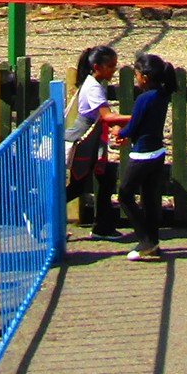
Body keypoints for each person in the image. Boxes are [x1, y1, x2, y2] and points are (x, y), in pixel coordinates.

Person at [115, 54, 179, 262]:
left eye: (136, 75)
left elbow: (134, 125)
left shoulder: (144, 98)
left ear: (144, 77)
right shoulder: (163, 93)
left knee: (125, 195)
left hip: (142, 155)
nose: (135, 79)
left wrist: (120, 132)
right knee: (150, 201)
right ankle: (153, 241)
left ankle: (146, 241)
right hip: (157, 152)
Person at [66, 45, 124, 238]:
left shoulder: (92, 83)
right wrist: (137, 117)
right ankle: (38, 213)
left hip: (92, 138)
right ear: (97, 66)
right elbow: (106, 116)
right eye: (110, 66)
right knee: (77, 185)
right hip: (85, 139)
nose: (114, 70)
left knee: (105, 179)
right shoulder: (93, 88)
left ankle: (102, 227)